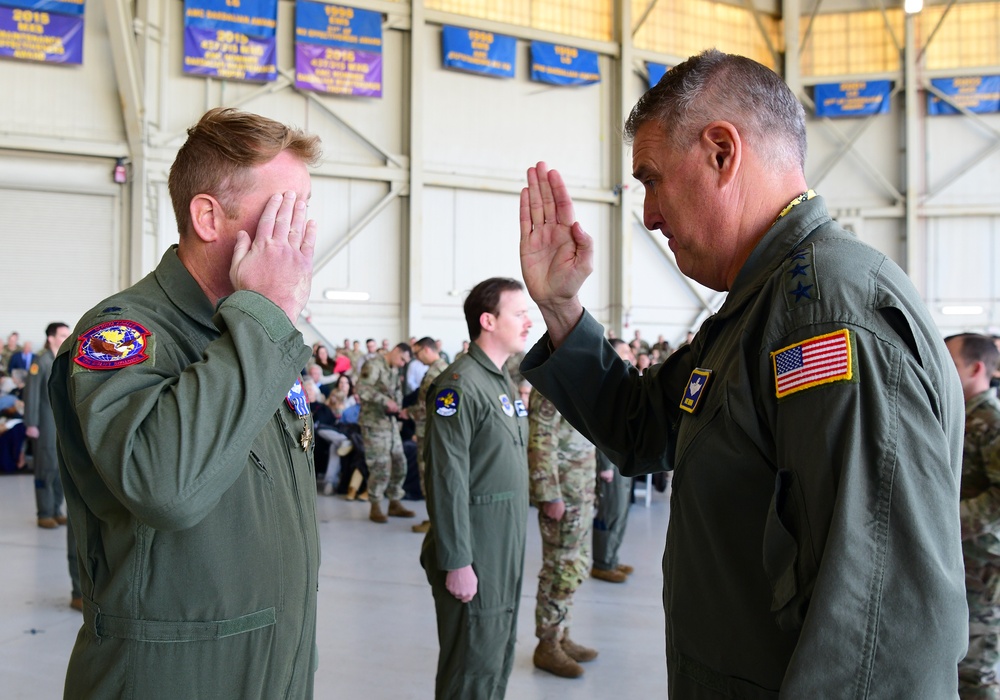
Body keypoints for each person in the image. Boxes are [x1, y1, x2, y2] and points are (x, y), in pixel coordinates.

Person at [518, 49, 966, 697]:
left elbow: (878, 626)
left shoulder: (823, 316)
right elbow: (642, 430)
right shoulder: (762, 308)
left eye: (652, 179)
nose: (648, 215)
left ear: (721, 153)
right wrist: (560, 307)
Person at [49, 107, 323, 698]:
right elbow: (164, 485)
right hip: (175, 677)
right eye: (283, 212)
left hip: (271, 666)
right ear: (208, 217)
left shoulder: (252, 336)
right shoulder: (127, 334)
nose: (302, 234)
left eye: (305, 211)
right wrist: (267, 313)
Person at [420, 277, 532, 699]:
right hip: (474, 549)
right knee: (470, 664)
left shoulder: (499, 380)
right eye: (518, 314)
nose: (528, 321)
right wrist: (457, 560)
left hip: (502, 541)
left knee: (493, 653)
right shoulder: (459, 385)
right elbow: (447, 478)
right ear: (488, 320)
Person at [527, 386, 598, 678]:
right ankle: (547, 644)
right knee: (559, 569)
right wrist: (549, 495)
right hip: (563, 497)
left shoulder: (574, 377)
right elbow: (540, 441)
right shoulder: (550, 383)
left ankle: (561, 633)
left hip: (579, 491)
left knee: (576, 565)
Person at [946, 333, 1000, 698]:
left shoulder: (990, 422)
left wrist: (947, 522)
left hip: (983, 568)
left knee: (975, 671)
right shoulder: (961, 415)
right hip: (960, 563)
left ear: (976, 368)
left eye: (952, 363)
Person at [591, 338, 635, 584]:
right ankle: (602, 563)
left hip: (623, 458)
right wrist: (606, 465)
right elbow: (600, 429)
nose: (629, 353)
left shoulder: (622, 379)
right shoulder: (606, 382)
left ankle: (613, 558)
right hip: (611, 462)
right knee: (609, 513)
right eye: (625, 350)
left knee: (620, 512)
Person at [357, 341, 415, 523]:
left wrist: (396, 405)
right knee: (380, 465)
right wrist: (384, 401)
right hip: (373, 423)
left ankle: (395, 502)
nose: (403, 364)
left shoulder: (394, 370)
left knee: (400, 461)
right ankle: (375, 505)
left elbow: (396, 393)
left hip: (389, 424)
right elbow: (362, 389)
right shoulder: (374, 365)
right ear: (396, 351)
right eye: (403, 359)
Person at [24, 323, 71, 530]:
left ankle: (56, 510)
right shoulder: (40, 361)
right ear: (51, 337)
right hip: (43, 422)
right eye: (62, 335)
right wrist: (31, 423)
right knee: (45, 468)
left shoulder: (61, 359)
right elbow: (31, 393)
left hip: (59, 423)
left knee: (60, 467)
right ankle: (44, 512)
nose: (66, 338)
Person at [409, 336, 449, 534]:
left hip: (430, 432)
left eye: (417, 353)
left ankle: (436, 522)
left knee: (429, 476)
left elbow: (432, 407)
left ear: (426, 350)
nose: (416, 358)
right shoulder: (439, 369)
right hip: (427, 430)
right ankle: (433, 519)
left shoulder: (438, 372)